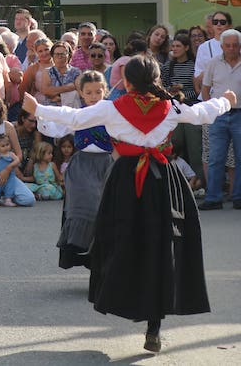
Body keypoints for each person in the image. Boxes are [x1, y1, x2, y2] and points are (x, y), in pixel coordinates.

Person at [24, 56, 234, 353]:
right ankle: (154, 322)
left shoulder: (112, 107)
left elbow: (73, 118)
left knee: (121, 240)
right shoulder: (170, 106)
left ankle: (126, 298)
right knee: (161, 245)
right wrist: (226, 100)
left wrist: (38, 109)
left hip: (126, 179)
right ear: (155, 80)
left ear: (128, 82)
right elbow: (202, 113)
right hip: (164, 180)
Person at [199, 28, 241, 210]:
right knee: (216, 158)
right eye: (228, 45)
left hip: (240, 114)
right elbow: (205, 88)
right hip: (219, 115)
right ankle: (213, 198)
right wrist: (211, 110)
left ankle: (238, 197)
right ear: (222, 46)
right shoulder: (213, 63)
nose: (231, 49)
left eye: (235, 45)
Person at [162, 32, 203, 187]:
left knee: (195, 149)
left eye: (178, 46)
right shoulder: (167, 67)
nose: (174, 49)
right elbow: (163, 87)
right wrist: (171, 92)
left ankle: (200, 182)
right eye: (173, 46)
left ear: (186, 47)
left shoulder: (194, 65)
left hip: (191, 111)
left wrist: (182, 95)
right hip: (174, 112)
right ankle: (179, 183)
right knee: (176, 147)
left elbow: (197, 90)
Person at [0, 133, 22, 207]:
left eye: (7, 144)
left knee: (10, 186)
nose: (6, 147)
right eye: (3, 146)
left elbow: (17, 160)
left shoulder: (11, 154)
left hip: (10, 175)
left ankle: (8, 199)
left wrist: (11, 165)